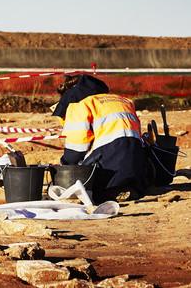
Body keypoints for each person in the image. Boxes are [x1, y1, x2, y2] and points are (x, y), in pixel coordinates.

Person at [52, 74, 150, 203]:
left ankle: (111, 189)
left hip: (108, 169)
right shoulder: (124, 101)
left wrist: (65, 165)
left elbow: (75, 150)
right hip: (137, 170)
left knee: (80, 171)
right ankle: (124, 188)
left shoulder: (80, 105)